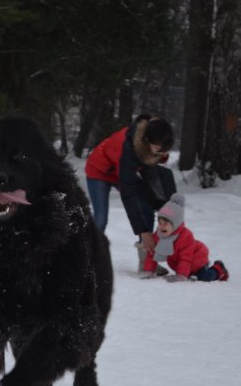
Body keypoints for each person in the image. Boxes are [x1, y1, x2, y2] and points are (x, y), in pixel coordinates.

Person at [85, 114, 175, 271]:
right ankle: (87, 261)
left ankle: (146, 262)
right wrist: (143, 231)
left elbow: (149, 177)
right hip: (98, 171)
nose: (161, 152)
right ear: (147, 141)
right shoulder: (129, 150)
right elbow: (129, 195)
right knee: (101, 218)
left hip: (119, 169)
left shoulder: (153, 135)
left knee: (145, 206)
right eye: (159, 149)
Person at [140, 193, 229, 282]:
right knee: (190, 275)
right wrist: (149, 271)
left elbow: (185, 258)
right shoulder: (159, 236)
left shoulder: (185, 236)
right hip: (180, 264)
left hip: (197, 260)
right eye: (160, 223)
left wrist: (181, 276)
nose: (162, 227)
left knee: (204, 277)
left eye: (166, 223)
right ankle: (188, 273)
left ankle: (219, 269)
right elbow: (152, 254)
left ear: (176, 224)